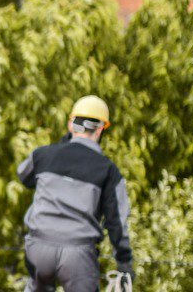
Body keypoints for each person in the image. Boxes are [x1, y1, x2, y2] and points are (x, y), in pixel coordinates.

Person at [16, 95, 134, 292]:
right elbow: (116, 221)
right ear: (99, 130)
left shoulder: (42, 155)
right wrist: (124, 263)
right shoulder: (108, 170)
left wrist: (62, 148)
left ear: (71, 125)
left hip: (38, 247)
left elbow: (24, 176)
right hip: (77, 256)